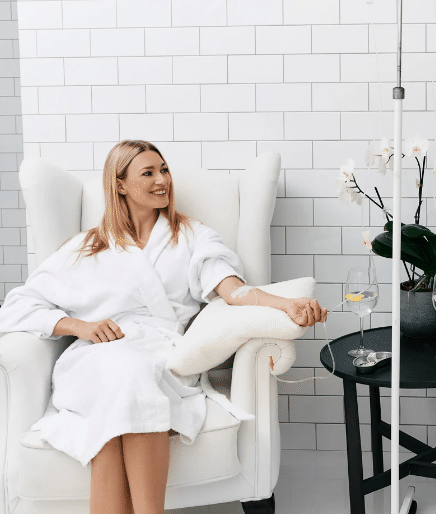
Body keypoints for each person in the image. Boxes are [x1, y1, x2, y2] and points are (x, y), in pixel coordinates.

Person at [0, 140, 327, 514]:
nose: (163, 180)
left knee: (127, 382)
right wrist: (79, 326)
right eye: (148, 173)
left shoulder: (190, 236)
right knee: (119, 378)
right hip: (93, 359)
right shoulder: (85, 247)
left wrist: (285, 304)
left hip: (160, 357)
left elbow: (234, 291)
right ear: (119, 184)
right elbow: (16, 306)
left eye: (164, 170)